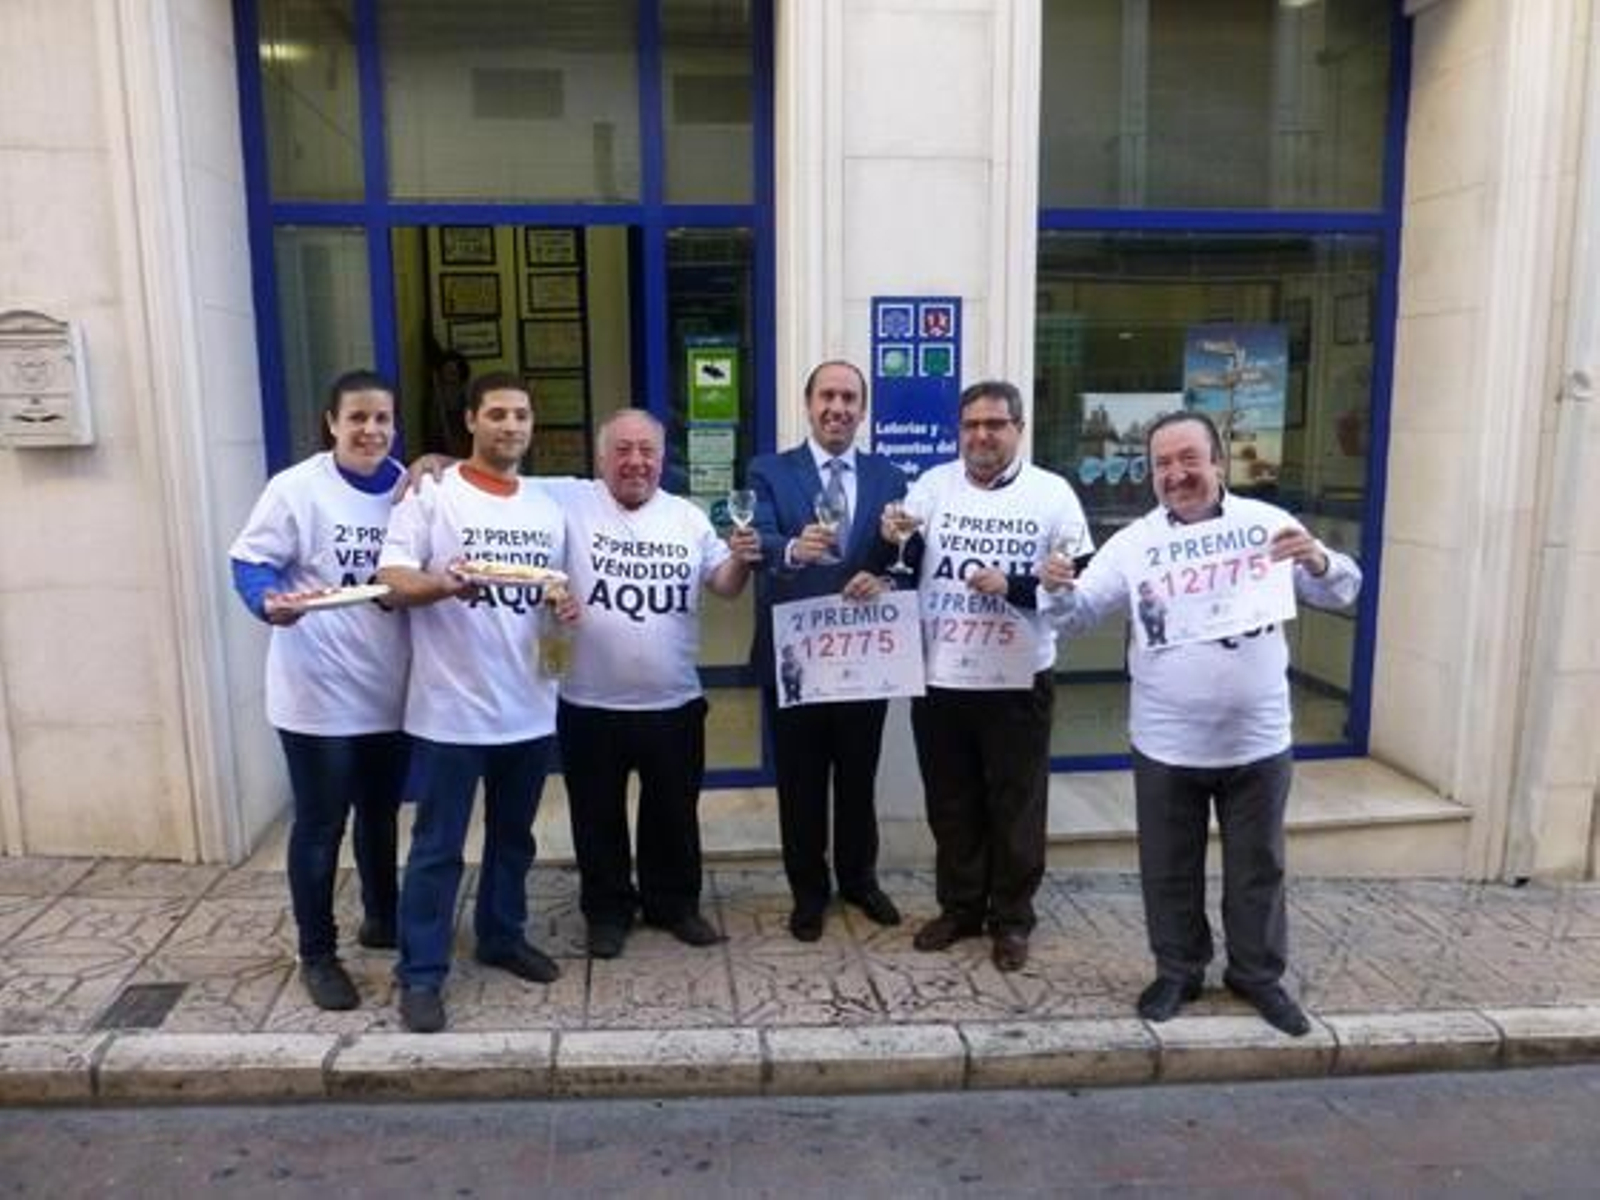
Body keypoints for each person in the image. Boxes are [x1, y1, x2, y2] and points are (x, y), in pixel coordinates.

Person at [1040, 409, 1361, 1036]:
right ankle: (1179, 970)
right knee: (1168, 865)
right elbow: (1076, 618)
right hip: (1167, 742)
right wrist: (1056, 588)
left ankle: (1257, 975)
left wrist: (1320, 561)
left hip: (1259, 739)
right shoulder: (1134, 544)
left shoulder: (1266, 525)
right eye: (1163, 463)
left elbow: (1342, 592)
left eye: (1189, 459)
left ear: (1219, 463)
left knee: (1258, 866)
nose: (1177, 474)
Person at [376, 372, 577, 1033]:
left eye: (521, 415)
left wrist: (564, 610)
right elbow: (391, 580)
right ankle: (422, 973)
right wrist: (439, 585)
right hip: (450, 710)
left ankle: (501, 934)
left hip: (527, 706)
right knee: (438, 847)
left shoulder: (546, 506)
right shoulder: (434, 492)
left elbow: (557, 599)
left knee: (514, 838)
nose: (511, 426)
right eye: (497, 414)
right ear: (470, 421)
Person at [544, 409, 761, 959]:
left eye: (647, 451)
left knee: (673, 813)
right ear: (601, 457)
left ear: (663, 459)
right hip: (589, 703)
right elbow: (497, 483)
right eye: (623, 450)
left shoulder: (686, 517)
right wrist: (434, 463)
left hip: (673, 703)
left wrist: (741, 561)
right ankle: (608, 911)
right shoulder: (569, 500)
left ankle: (674, 905)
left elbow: (725, 586)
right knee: (597, 816)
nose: (635, 462)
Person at [889, 379, 1089, 973]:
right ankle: (960, 908)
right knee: (950, 801)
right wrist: (889, 541)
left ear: (1018, 429)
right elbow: (904, 558)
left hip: (1018, 679)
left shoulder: (1053, 495)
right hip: (942, 673)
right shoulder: (931, 485)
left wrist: (1019, 586)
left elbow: (1078, 583)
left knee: (1016, 804)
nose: (981, 435)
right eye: (971, 425)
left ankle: (1011, 919)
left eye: (994, 425)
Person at [228, 369, 411, 1011]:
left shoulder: (408, 489)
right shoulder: (297, 488)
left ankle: (382, 918)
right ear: (332, 422)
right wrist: (269, 603)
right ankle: (317, 953)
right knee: (320, 826)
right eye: (357, 418)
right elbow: (250, 562)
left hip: (389, 692)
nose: (370, 430)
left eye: (382, 418)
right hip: (316, 694)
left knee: (382, 816)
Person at [748, 360, 907, 941]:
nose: (837, 407)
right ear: (808, 403)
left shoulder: (891, 476)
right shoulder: (770, 470)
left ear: (862, 410)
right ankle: (808, 892)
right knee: (800, 781)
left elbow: (906, 553)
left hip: (865, 657)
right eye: (827, 396)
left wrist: (887, 578)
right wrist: (792, 547)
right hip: (795, 658)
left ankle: (860, 880)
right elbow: (755, 540)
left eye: (849, 398)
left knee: (859, 778)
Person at [422, 350, 472, 459]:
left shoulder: (467, 391)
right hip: (441, 443)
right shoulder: (435, 395)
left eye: (454, 370)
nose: (451, 374)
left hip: (465, 440)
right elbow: (433, 425)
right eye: (448, 370)